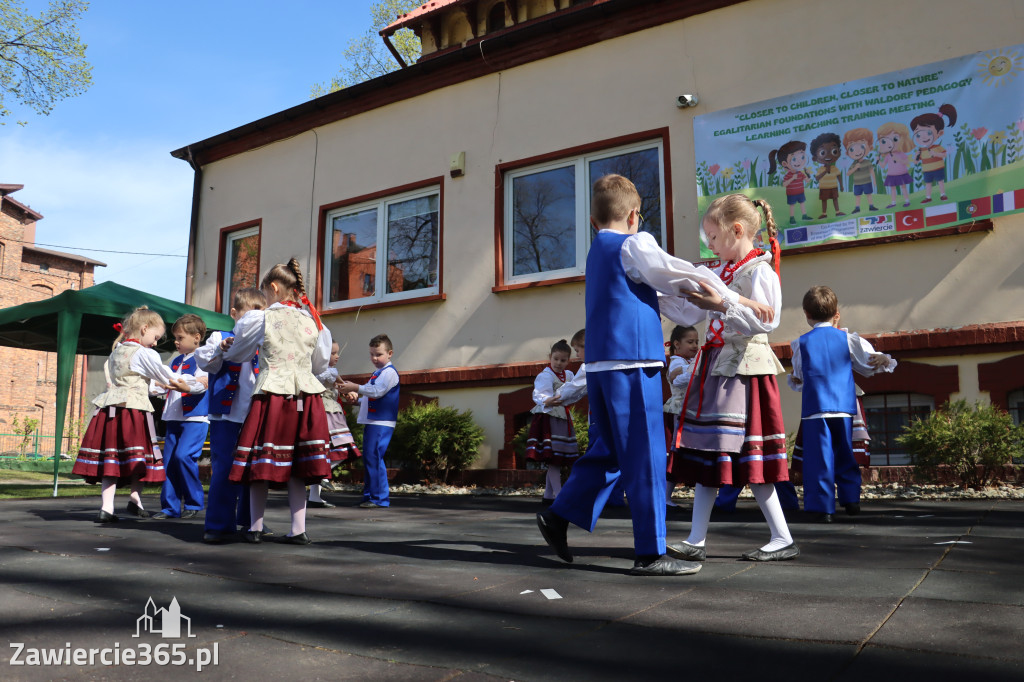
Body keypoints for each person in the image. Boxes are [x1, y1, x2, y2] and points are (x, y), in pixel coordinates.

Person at [536, 174, 773, 576]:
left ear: (593, 222)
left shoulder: (600, 251)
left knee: (609, 451)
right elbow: (677, 273)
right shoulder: (635, 244)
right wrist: (733, 296)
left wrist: (714, 303)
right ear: (634, 216)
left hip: (601, 367)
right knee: (646, 456)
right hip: (632, 364)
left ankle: (559, 516)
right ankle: (650, 552)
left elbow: (672, 299)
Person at [665, 193, 798, 563]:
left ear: (736, 230)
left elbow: (768, 320)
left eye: (713, 236)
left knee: (747, 456)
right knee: (710, 453)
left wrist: (723, 303)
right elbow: (696, 310)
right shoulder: (725, 272)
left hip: (744, 372)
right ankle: (696, 538)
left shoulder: (759, 271)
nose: (709, 244)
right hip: (719, 368)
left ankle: (782, 535)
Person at [225, 258, 333, 545]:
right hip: (306, 397)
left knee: (262, 459)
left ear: (273, 288)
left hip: (272, 394)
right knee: (298, 464)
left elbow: (238, 354)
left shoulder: (261, 318)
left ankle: (255, 527)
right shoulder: (314, 322)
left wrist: (227, 349)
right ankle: (298, 529)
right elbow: (320, 365)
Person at [787, 286, 896, 521]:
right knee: (845, 453)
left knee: (820, 459)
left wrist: (796, 379)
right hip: (844, 407)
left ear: (806, 314)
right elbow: (867, 365)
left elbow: (799, 375)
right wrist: (885, 359)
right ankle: (851, 500)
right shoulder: (847, 339)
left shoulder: (800, 343)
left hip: (816, 409)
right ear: (836, 312)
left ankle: (822, 507)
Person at [72, 307, 190, 523]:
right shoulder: (144, 353)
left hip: (111, 410)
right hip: (133, 410)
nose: (155, 343)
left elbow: (149, 383)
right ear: (144, 329)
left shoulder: (117, 350)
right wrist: (189, 384)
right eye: (155, 337)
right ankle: (130, 500)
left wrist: (164, 386)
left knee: (114, 455)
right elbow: (165, 375)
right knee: (138, 456)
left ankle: (113, 506)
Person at [195, 287, 267, 543]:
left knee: (254, 468)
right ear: (235, 314)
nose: (255, 318)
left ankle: (251, 522)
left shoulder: (264, 343)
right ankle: (218, 524)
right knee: (224, 467)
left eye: (261, 312)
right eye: (250, 312)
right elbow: (203, 360)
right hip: (225, 415)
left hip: (254, 414)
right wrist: (220, 349)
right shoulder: (220, 336)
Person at [153, 314, 210, 520]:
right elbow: (166, 384)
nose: (176, 341)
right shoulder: (176, 360)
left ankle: (194, 503)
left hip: (195, 418)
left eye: (180, 337)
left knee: (183, 456)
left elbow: (202, 383)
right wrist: (157, 385)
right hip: (174, 417)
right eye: (175, 337)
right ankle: (170, 507)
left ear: (196, 337)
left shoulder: (204, 357)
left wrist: (186, 385)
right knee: (169, 461)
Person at [338, 335, 399, 509]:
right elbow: (371, 395)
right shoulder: (378, 373)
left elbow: (377, 392)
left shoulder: (389, 373)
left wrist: (355, 388)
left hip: (381, 423)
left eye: (378, 354)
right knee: (370, 458)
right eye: (371, 354)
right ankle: (370, 495)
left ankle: (379, 498)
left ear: (390, 354)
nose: (374, 358)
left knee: (375, 457)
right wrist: (356, 399)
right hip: (374, 422)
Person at [525, 339, 580, 505]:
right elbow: (540, 394)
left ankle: (549, 495)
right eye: (556, 359)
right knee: (554, 459)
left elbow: (575, 390)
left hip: (562, 418)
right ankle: (559, 495)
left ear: (568, 361)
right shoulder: (545, 375)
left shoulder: (569, 375)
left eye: (563, 360)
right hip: (548, 419)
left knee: (558, 458)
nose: (559, 363)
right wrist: (546, 400)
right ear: (550, 357)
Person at [309, 341, 362, 506]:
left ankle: (315, 495)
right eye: (333, 353)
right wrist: (349, 390)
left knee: (324, 451)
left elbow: (340, 386)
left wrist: (348, 393)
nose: (337, 356)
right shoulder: (327, 372)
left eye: (337, 353)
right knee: (342, 446)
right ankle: (323, 474)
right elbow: (340, 384)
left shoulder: (326, 372)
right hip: (328, 413)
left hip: (331, 411)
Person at [663, 325, 698, 507]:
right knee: (675, 452)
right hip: (679, 411)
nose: (695, 346)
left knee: (682, 453)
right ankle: (665, 496)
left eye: (697, 342)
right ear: (676, 344)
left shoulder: (685, 363)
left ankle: (666, 496)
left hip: (687, 411)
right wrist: (694, 369)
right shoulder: (678, 361)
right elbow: (678, 379)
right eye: (690, 342)